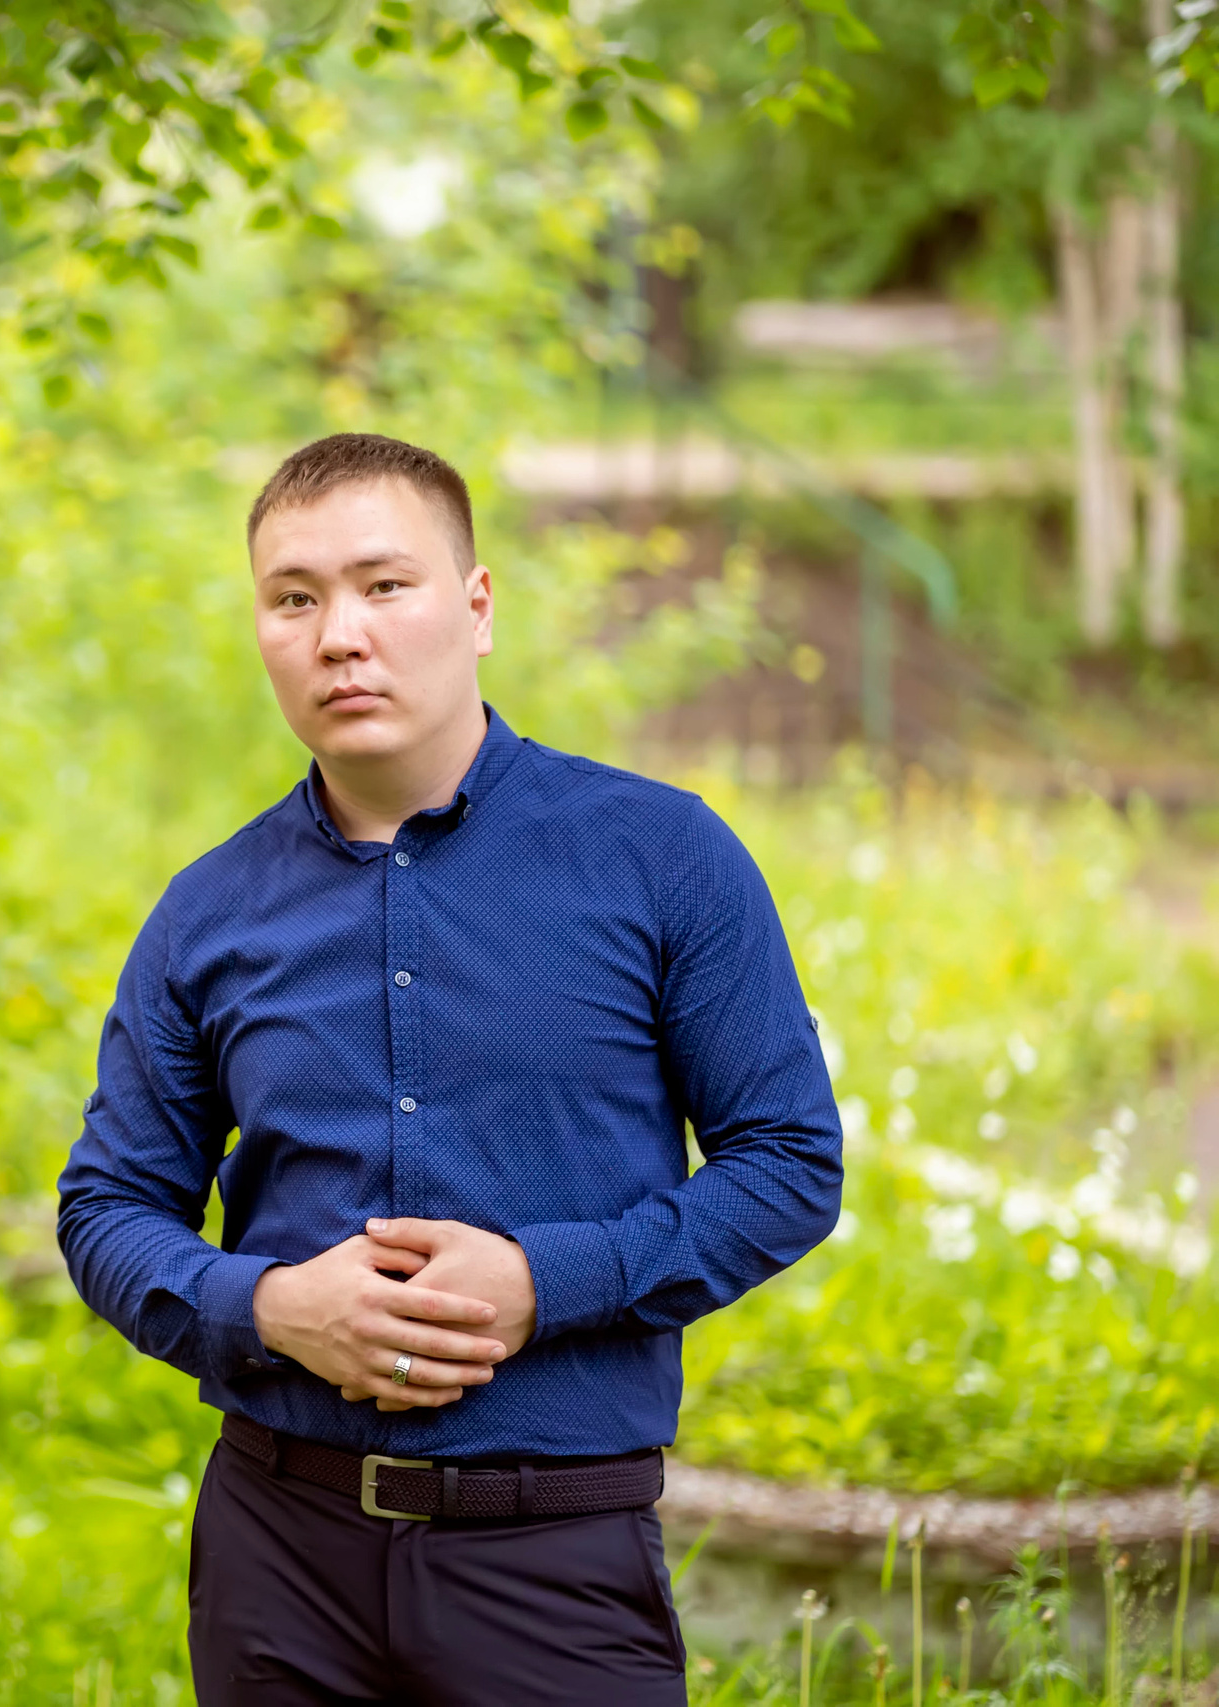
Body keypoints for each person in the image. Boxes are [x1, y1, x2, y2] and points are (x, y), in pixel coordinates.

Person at [54, 433, 843, 1705]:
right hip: (277, 1558)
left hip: (553, 1559)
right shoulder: (208, 913)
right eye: (293, 598)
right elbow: (106, 1208)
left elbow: (789, 1164)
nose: (338, 635)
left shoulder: (661, 858)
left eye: (384, 585)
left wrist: (546, 1280)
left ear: (475, 609)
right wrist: (267, 1309)